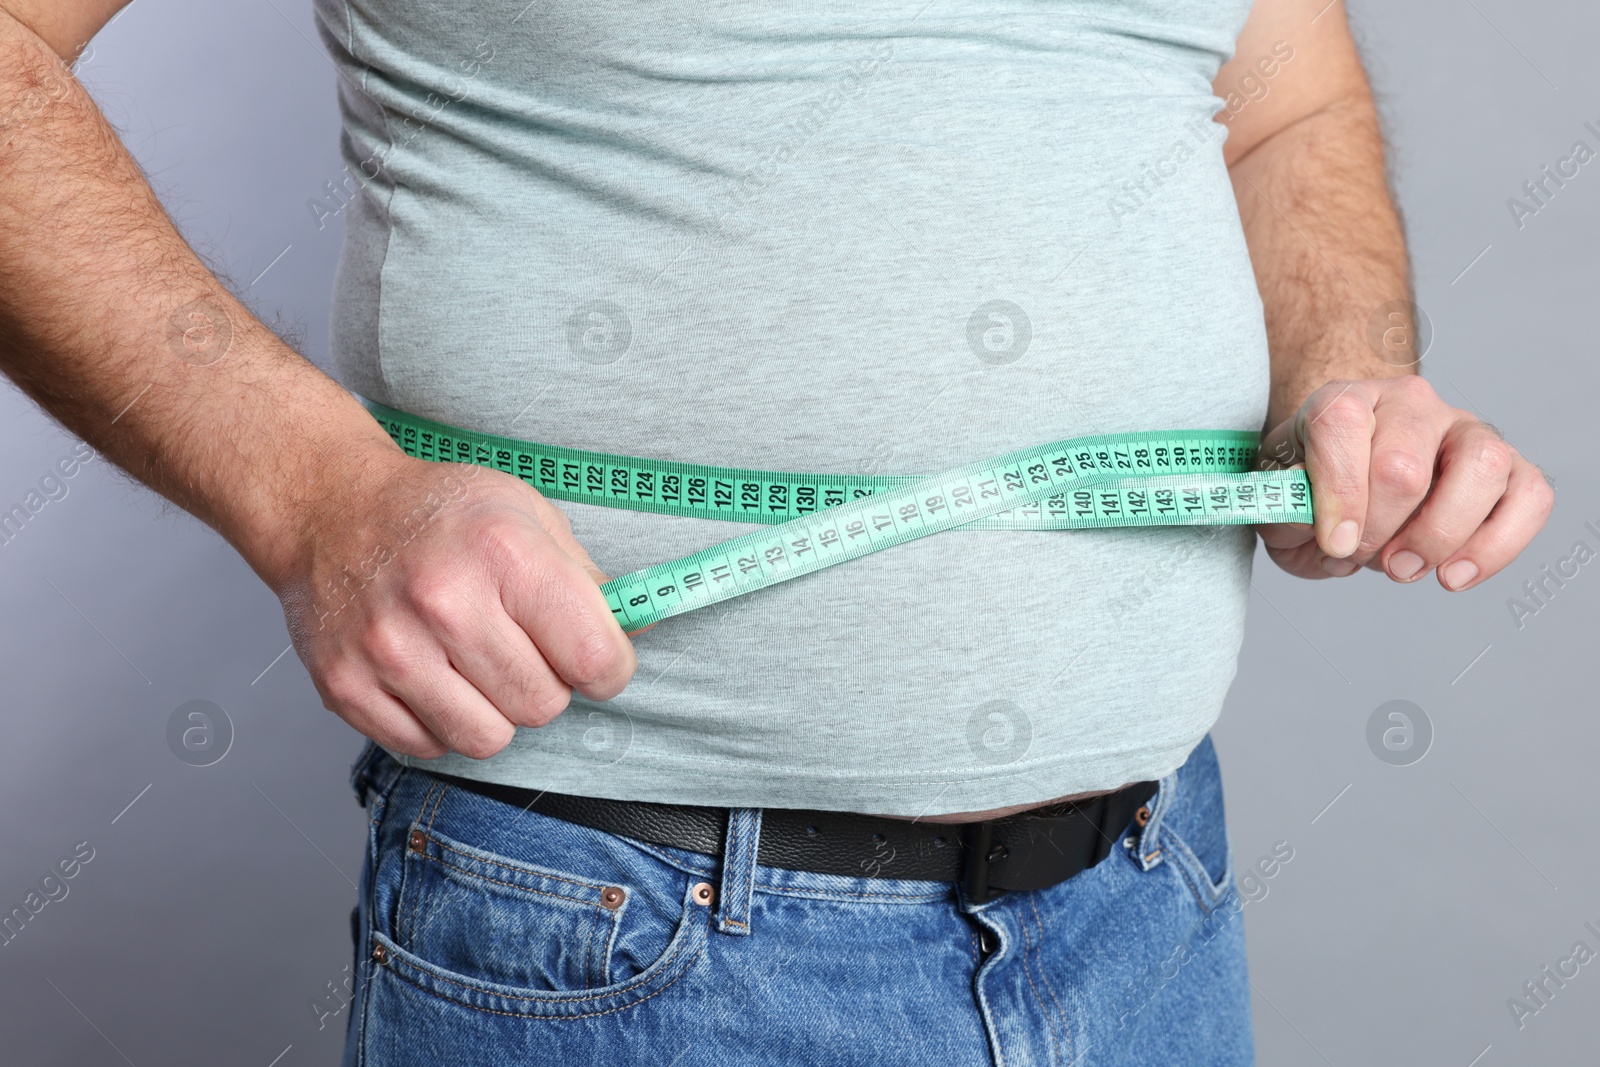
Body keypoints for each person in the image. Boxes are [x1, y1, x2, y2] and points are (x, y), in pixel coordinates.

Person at [0, 0, 1551, 1063]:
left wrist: (1353, 368)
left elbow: (1284, 103)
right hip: (630, 935)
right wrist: (314, 488)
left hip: (1152, 907)